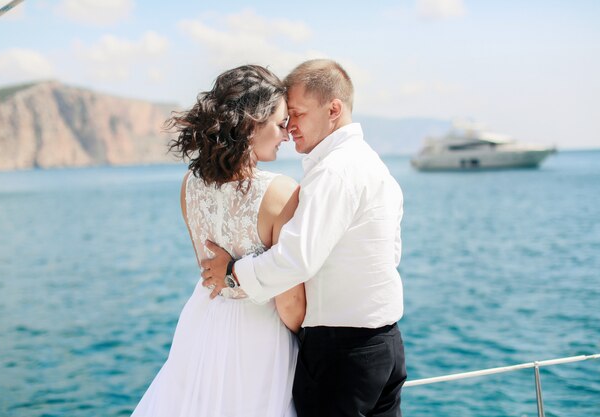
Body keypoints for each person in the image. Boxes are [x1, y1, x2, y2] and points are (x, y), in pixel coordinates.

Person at [201, 59, 407, 417]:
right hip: (385, 345)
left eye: (296, 113)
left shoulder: (334, 171)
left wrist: (233, 271)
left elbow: (297, 259)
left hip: (342, 353)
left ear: (334, 109)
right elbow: (392, 253)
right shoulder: (372, 164)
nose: (289, 126)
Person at [131, 64, 306, 417]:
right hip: (259, 337)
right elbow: (290, 306)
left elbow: (207, 266)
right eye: (279, 123)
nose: (286, 134)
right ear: (250, 124)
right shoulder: (281, 192)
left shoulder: (190, 186)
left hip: (202, 321)